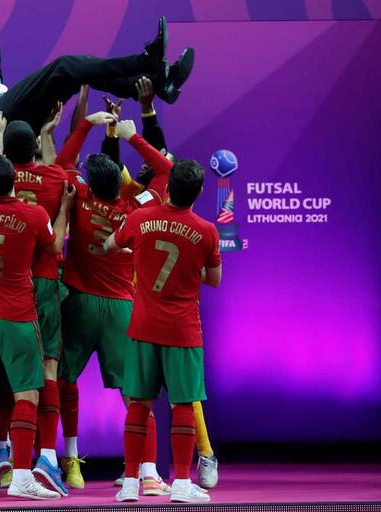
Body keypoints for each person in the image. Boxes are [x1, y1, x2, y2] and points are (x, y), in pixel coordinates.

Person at [55, 110, 174, 495]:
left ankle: (70, 462)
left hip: (79, 303)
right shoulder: (137, 208)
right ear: (121, 185)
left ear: (89, 182)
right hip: (122, 308)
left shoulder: (80, 195)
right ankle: (149, 472)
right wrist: (130, 135)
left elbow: (64, 163)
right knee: (135, 394)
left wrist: (87, 124)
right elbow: (164, 174)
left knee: (62, 380)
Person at [0, 4, 194, 150]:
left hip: (8, 107)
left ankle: (158, 82)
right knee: (64, 66)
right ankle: (146, 61)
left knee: (72, 76)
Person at [103, 160, 222, 504]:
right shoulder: (206, 231)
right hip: (183, 331)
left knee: (138, 405)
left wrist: (136, 251)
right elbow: (214, 280)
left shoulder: (140, 219)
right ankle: (183, 485)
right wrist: (190, 269)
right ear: (199, 192)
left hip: (143, 327)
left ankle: (130, 485)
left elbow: (111, 244)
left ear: (167, 188)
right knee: (183, 405)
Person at [0, 151, 73, 501]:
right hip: (18, 315)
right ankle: (23, 475)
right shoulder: (34, 214)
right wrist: (65, 207)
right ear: (14, 182)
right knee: (28, 394)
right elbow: (54, 245)